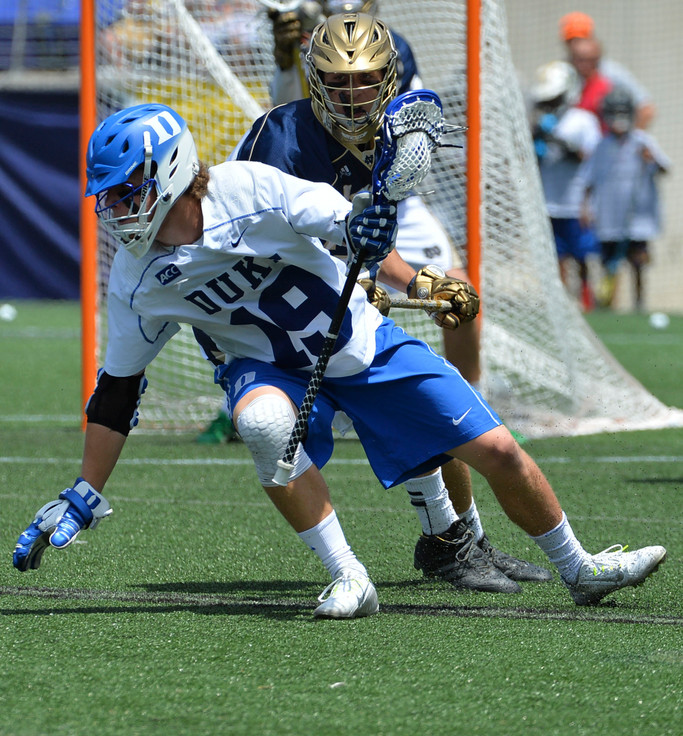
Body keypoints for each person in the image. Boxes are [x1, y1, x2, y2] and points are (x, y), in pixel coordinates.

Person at [13, 100, 668, 619]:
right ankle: (348, 576)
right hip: (265, 371)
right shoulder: (136, 278)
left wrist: (414, 282)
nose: (115, 209)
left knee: (496, 451)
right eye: (110, 196)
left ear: (169, 172)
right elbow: (118, 390)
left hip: (358, 341)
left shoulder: (249, 190)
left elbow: (347, 230)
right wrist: (84, 491)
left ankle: (579, 569)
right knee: (266, 427)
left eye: (126, 191)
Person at [207, 5, 553, 592]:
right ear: (314, 81)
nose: (351, 95)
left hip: (330, 278)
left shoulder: (392, 127)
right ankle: (418, 550)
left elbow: (363, 231)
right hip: (273, 305)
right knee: (365, 407)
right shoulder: (282, 142)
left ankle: (456, 540)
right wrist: (358, 283)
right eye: (337, 82)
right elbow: (264, 247)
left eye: (364, 80)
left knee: (421, 388)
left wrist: (415, 282)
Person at [578, 86, 671, 309]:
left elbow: (665, 169)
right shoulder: (601, 145)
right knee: (609, 261)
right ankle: (608, 304)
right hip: (610, 215)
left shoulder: (642, 141)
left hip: (637, 215)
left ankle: (639, 303)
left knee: (638, 260)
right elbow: (588, 180)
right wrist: (585, 208)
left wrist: (651, 159)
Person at [529, 60, 602, 311]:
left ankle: (585, 297)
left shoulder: (582, 121)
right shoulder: (543, 122)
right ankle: (562, 300)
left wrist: (557, 141)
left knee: (581, 254)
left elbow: (589, 158)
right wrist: (536, 137)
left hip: (574, 201)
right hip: (549, 201)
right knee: (556, 254)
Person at [559, 11, 656, 129]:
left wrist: (627, 141)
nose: (575, 45)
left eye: (580, 38)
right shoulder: (562, 73)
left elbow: (646, 108)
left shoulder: (611, 73)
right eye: (571, 40)